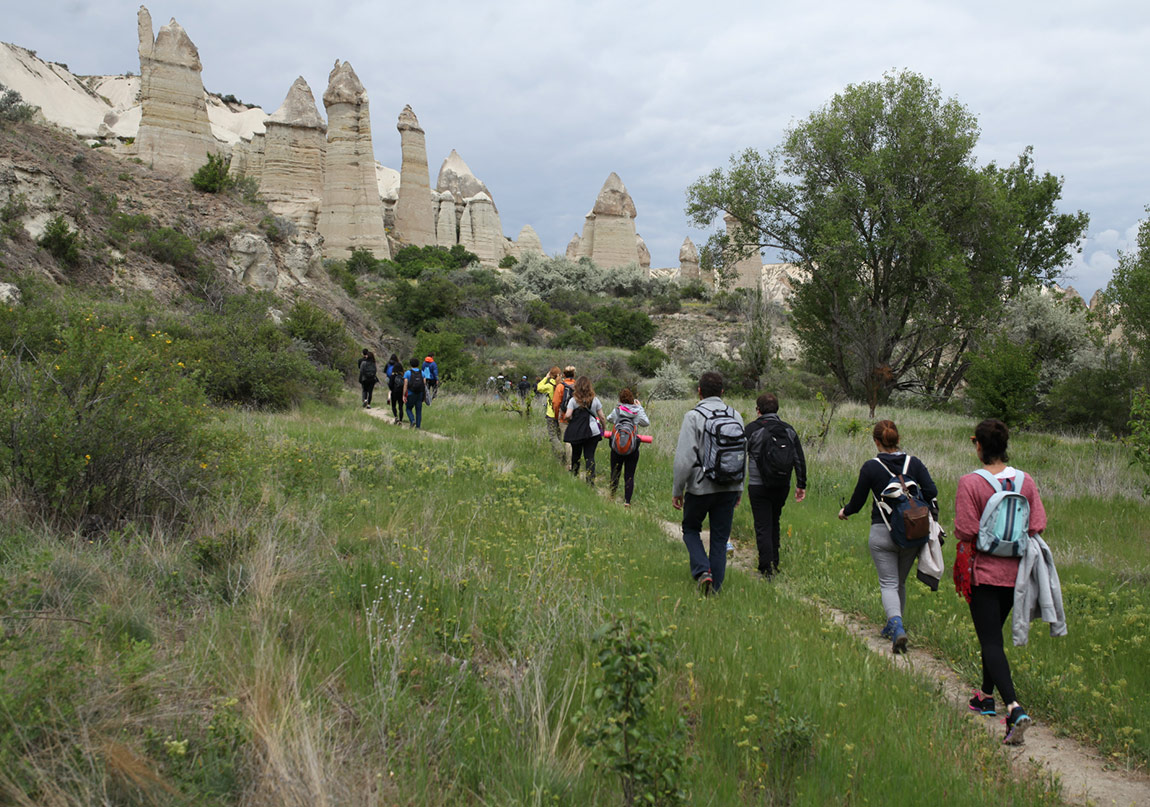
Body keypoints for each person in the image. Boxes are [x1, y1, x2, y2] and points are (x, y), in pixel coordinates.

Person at [954, 419, 1046, 745]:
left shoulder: (970, 483)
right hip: (1017, 576)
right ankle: (985, 697)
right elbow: (1037, 525)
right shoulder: (1027, 481)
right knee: (992, 636)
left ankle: (1014, 709)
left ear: (977, 444)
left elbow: (966, 530)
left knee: (991, 641)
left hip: (984, 573)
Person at [838, 420, 937, 653]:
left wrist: (846, 511)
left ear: (876, 441)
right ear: (898, 439)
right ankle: (893, 626)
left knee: (888, 583)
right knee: (899, 582)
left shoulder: (871, 467)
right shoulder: (915, 463)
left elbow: (859, 500)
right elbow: (932, 492)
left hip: (882, 533)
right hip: (913, 532)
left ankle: (896, 626)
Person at [672, 371, 744, 596]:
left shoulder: (693, 416)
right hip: (730, 486)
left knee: (691, 529)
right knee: (720, 539)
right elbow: (743, 454)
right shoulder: (737, 416)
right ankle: (715, 592)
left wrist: (678, 489)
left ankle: (703, 571)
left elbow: (684, 459)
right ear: (722, 392)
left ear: (699, 391)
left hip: (700, 486)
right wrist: (739, 488)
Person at [744, 393, 807, 578]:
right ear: (777, 409)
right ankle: (775, 562)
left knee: (762, 524)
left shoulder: (752, 429)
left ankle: (765, 567)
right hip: (782, 484)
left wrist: (737, 484)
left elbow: (739, 457)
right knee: (774, 521)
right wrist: (801, 484)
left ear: (758, 410)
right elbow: (799, 458)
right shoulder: (788, 429)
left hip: (758, 485)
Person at [606, 388, 649, 507]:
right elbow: (646, 422)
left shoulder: (618, 410)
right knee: (629, 475)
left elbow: (609, 418)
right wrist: (640, 408)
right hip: (632, 448)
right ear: (632, 400)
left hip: (617, 447)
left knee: (615, 472)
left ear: (620, 399)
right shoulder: (637, 411)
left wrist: (617, 409)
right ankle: (627, 502)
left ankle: (612, 496)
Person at [563, 375, 606, 484]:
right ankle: (590, 481)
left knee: (576, 455)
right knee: (590, 456)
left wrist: (570, 419)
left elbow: (567, 415)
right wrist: (603, 428)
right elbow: (602, 417)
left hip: (577, 431)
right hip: (593, 432)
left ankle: (574, 476)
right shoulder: (595, 400)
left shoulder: (573, 400)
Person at [552, 366, 577, 466]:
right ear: (574, 375)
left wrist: (557, 416)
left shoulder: (560, 386)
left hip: (564, 417)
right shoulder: (578, 386)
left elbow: (556, 403)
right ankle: (576, 462)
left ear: (564, 375)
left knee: (567, 440)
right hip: (577, 417)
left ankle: (569, 464)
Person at [537, 366, 561, 457]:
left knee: (552, 436)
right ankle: (558, 456)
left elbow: (539, 387)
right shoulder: (561, 386)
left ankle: (560, 452)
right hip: (560, 414)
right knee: (559, 436)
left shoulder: (549, 386)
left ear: (551, 375)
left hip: (551, 414)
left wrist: (546, 377)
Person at [402, 358, 426, 429]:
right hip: (420, 393)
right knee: (418, 410)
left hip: (410, 393)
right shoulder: (422, 373)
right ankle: (418, 427)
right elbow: (424, 384)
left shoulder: (407, 373)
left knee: (408, 408)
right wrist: (424, 395)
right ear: (418, 364)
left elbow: (405, 384)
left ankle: (412, 420)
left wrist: (404, 395)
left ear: (410, 364)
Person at [386, 355, 404, 423]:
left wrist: (392, 390)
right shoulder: (403, 376)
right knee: (400, 407)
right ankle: (401, 420)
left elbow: (390, 385)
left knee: (393, 405)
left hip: (394, 392)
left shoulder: (392, 376)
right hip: (401, 392)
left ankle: (396, 417)